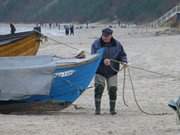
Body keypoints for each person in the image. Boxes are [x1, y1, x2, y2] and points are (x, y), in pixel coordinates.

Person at [91, 28, 128, 115]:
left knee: (113, 89)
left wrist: (124, 62)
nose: (105, 38)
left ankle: (112, 109)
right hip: (99, 70)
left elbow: (122, 55)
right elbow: (93, 56)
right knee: (99, 88)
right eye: (104, 36)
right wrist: (102, 60)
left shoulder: (117, 44)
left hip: (112, 71)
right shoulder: (96, 44)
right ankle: (97, 110)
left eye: (107, 36)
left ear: (111, 35)